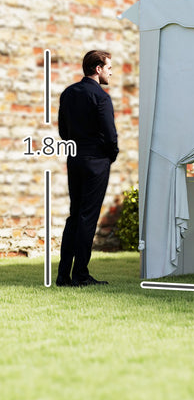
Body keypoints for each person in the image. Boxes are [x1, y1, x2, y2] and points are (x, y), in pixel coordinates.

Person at [55, 50, 119, 287]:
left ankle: (63, 275)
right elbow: (110, 135)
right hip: (96, 162)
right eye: (108, 67)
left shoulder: (69, 93)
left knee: (75, 216)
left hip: (75, 159)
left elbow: (63, 131)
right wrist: (110, 155)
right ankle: (80, 274)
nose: (111, 71)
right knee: (87, 218)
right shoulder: (101, 97)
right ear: (98, 69)